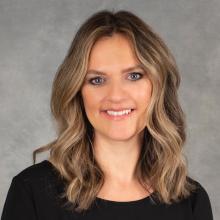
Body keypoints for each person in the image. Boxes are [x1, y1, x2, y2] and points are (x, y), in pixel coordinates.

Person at [1, 9, 213, 220]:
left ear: (158, 87)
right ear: (77, 92)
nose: (116, 96)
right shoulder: (32, 193)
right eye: (97, 80)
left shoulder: (191, 201)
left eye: (134, 76)